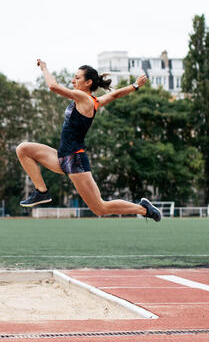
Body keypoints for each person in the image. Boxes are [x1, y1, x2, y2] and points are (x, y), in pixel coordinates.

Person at [16, 59, 162, 222]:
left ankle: (143, 209)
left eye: (77, 78)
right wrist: (134, 86)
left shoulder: (83, 98)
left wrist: (44, 68)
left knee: (100, 207)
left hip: (75, 160)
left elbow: (53, 87)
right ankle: (41, 192)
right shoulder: (94, 101)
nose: (73, 80)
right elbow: (114, 95)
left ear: (88, 82)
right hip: (62, 157)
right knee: (23, 149)